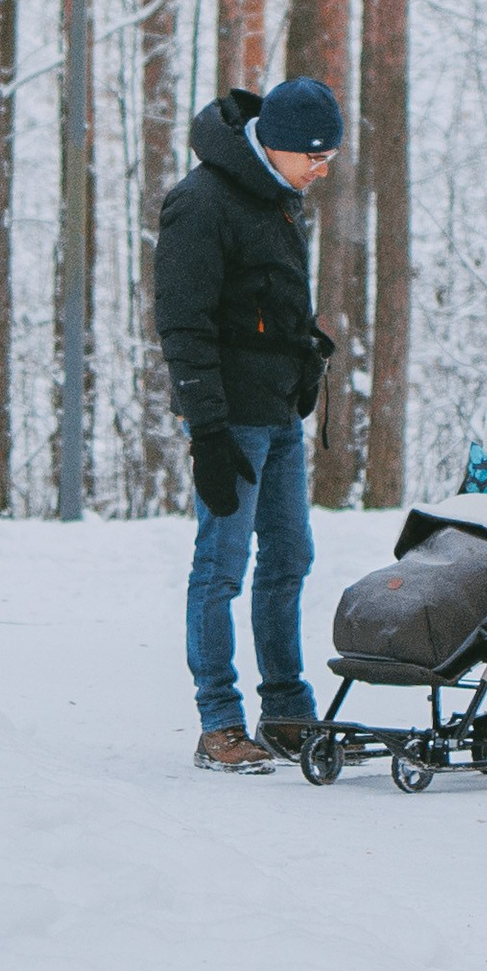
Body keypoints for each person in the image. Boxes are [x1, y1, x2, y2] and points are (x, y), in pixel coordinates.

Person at [153, 78, 344, 772]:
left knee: (290, 558)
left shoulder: (278, 199)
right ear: (274, 145)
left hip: (276, 417)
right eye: (314, 157)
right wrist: (206, 432)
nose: (322, 169)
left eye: (329, 157)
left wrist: (301, 355)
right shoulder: (200, 204)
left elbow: (270, 298)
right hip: (229, 421)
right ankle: (219, 722)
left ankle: (287, 709)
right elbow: (185, 324)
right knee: (220, 569)